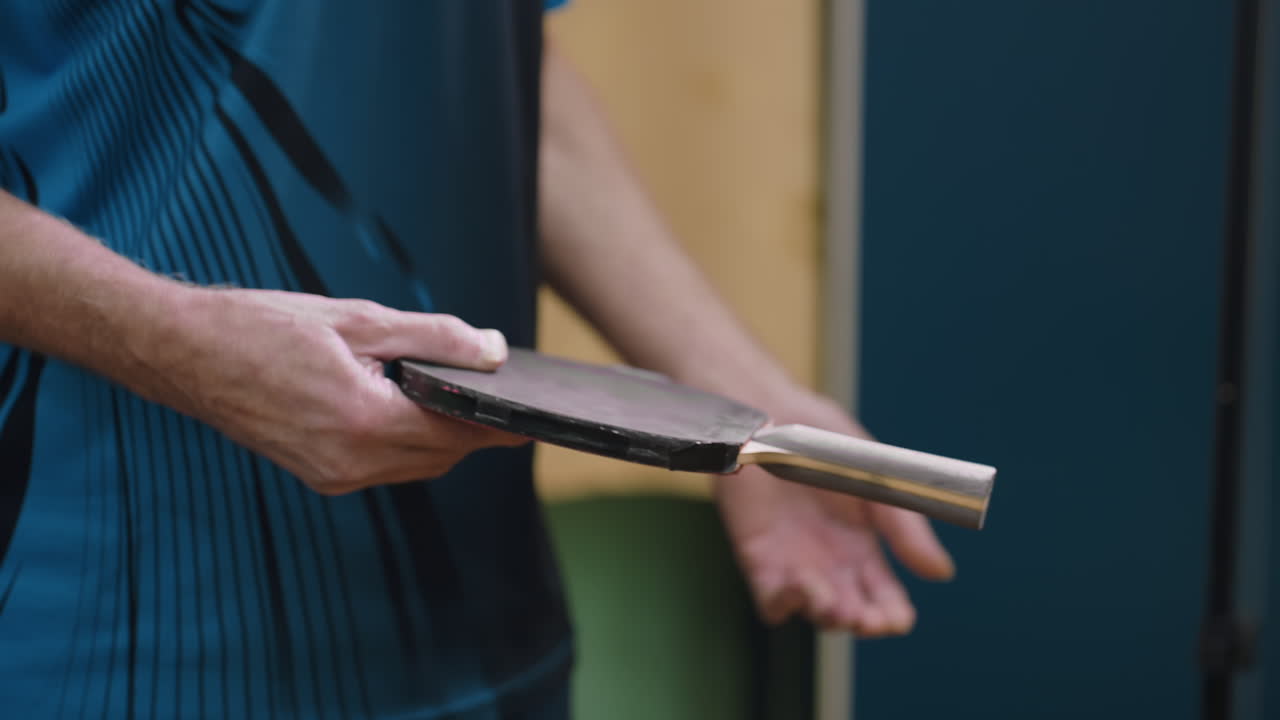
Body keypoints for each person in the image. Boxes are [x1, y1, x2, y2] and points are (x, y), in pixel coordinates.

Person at [0, 1, 956, 718]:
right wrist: (170, 337)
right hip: (93, 646)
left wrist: (745, 415)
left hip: (485, 650)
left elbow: (497, 72)